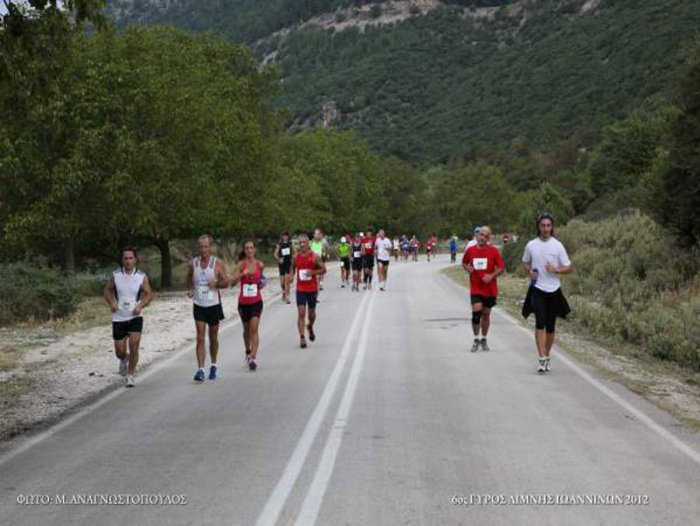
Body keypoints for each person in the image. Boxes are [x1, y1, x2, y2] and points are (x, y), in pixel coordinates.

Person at [522, 212, 573, 373]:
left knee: (550, 327)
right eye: (543, 225)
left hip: (553, 290)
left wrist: (556, 269)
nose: (545, 229)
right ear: (538, 227)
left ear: (552, 227)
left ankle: (547, 355)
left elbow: (569, 267)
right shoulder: (531, 245)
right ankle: (541, 357)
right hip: (537, 289)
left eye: (548, 226)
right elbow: (525, 261)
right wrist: (530, 271)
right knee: (540, 323)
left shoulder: (557, 246)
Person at [104, 247, 154, 387]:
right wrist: (112, 302)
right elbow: (107, 291)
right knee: (120, 351)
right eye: (125, 258)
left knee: (134, 345)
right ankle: (123, 359)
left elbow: (150, 294)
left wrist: (141, 305)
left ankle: (130, 375)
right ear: (122, 260)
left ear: (135, 259)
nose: (128, 261)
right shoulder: (116, 275)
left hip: (135, 316)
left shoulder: (141, 276)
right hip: (119, 317)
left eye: (130, 258)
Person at [187, 234, 230, 382]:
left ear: (210, 247)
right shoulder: (193, 263)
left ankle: (213, 364)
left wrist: (216, 285)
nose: (203, 249)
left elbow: (227, 282)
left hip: (213, 305)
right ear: (198, 247)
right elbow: (189, 277)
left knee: (213, 337)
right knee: (200, 337)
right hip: (199, 305)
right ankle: (200, 370)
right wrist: (190, 289)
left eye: (206, 246)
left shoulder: (217, 263)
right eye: (201, 247)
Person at [462, 226, 504, 352]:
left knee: (486, 314)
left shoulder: (493, 251)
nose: (482, 238)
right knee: (476, 313)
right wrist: (467, 268)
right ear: (477, 235)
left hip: (489, 288)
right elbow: (464, 263)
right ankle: (476, 339)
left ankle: (484, 339)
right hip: (476, 288)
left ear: (489, 238)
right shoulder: (470, 250)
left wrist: (491, 276)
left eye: (486, 236)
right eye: (481, 234)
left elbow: (501, 267)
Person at [230, 240, 266, 371]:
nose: (249, 250)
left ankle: (254, 357)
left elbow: (262, 279)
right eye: (247, 248)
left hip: (256, 301)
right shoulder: (241, 264)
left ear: (255, 250)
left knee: (254, 329)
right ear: (245, 251)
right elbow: (232, 283)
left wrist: (263, 283)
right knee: (246, 331)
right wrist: (242, 275)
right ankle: (247, 351)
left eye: (251, 248)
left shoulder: (260, 265)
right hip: (243, 303)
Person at [295, 232, 326, 348]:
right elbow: (291, 271)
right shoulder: (296, 257)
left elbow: (324, 269)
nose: (302, 245)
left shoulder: (315, 257)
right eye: (300, 243)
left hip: (312, 288)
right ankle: (302, 337)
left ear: (309, 243)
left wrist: (313, 273)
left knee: (311, 313)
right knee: (301, 312)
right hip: (300, 288)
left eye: (304, 242)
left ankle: (310, 326)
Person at [275, 231, 294, 304]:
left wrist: (292, 258)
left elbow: (295, 252)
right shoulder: (279, 244)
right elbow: (275, 254)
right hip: (282, 264)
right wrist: (279, 259)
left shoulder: (291, 244)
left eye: (286, 235)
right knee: (282, 282)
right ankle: (283, 292)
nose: (285, 237)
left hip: (288, 263)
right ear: (282, 236)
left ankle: (287, 297)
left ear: (288, 236)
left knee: (287, 282)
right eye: (284, 235)